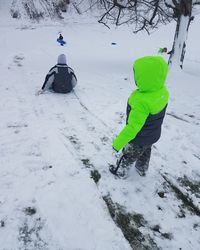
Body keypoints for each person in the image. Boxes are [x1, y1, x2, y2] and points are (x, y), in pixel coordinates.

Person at [110, 56, 169, 177]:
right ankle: (141, 169)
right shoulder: (162, 92)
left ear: (143, 77)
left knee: (128, 155)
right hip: (153, 135)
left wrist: (117, 144)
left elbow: (133, 127)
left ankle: (120, 172)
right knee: (146, 151)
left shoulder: (141, 101)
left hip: (139, 138)